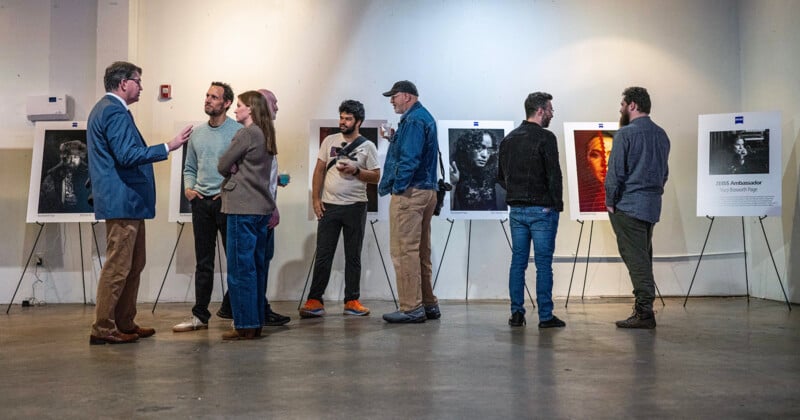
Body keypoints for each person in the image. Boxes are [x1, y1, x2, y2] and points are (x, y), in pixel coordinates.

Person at [87, 61, 192, 344]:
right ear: (123, 83)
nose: (141, 86)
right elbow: (127, 155)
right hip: (123, 201)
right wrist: (167, 146)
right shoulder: (113, 112)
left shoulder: (106, 110)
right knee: (118, 266)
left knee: (134, 263)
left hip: (128, 202)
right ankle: (104, 328)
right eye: (138, 80)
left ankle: (124, 322)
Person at [216, 88, 291, 327]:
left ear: (251, 108)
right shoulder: (265, 133)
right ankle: (255, 321)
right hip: (260, 208)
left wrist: (233, 166)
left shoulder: (246, 134)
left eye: (238, 105)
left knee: (240, 270)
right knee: (257, 267)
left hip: (242, 207)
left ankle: (246, 325)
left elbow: (222, 164)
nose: (235, 109)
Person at [300, 100, 381, 318]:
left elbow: (376, 176)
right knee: (324, 254)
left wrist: (356, 171)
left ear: (358, 121)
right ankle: (315, 299)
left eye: (348, 118)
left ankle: (352, 300)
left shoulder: (368, 146)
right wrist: (315, 200)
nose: (342, 122)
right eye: (341, 117)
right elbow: (318, 171)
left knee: (353, 255)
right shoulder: (329, 140)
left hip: (356, 206)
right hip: (329, 206)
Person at [172, 82, 241, 333]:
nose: (208, 100)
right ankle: (200, 316)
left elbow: (243, 168)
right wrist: (189, 188)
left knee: (234, 260)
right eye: (207, 95)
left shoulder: (238, 131)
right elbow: (189, 167)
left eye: (214, 97)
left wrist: (229, 190)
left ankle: (237, 313)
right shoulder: (198, 134)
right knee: (204, 261)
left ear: (226, 103)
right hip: (201, 203)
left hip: (226, 202)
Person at [497, 91, 565, 329]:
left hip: (516, 210)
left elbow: (500, 177)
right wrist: (556, 204)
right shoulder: (546, 138)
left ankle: (517, 314)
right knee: (543, 264)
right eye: (550, 110)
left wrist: (516, 194)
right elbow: (554, 176)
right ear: (540, 111)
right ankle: (545, 316)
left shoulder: (509, 139)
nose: (552, 114)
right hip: (542, 210)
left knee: (518, 262)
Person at [605, 86, 670, 329]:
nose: (620, 109)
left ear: (632, 105)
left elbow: (615, 174)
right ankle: (643, 308)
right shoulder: (661, 134)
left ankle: (644, 312)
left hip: (628, 206)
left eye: (622, 104)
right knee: (643, 256)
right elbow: (664, 174)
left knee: (636, 260)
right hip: (651, 206)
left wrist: (610, 202)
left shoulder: (625, 134)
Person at [378, 80, 441, 323]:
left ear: (407, 96)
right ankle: (428, 304)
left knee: (404, 251)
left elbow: (410, 159)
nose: (391, 101)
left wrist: (398, 188)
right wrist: (394, 138)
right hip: (427, 192)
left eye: (393, 96)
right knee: (420, 250)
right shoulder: (422, 117)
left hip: (411, 193)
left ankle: (411, 307)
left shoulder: (414, 120)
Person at [450, 130, 504, 211]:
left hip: (491, 221)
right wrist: (452, 184)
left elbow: (515, 189)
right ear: (468, 147)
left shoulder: (493, 170)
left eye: (489, 150)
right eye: (479, 147)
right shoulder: (456, 170)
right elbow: (449, 210)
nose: (485, 155)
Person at [39, 139, 91, 213]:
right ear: (64, 157)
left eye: (75, 157)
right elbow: (45, 198)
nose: (72, 161)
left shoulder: (88, 173)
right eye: (69, 157)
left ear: (81, 157)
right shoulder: (53, 174)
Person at [577, 131, 613, 212]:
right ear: (587, 162)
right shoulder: (594, 201)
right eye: (595, 155)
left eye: (611, 154)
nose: (605, 162)